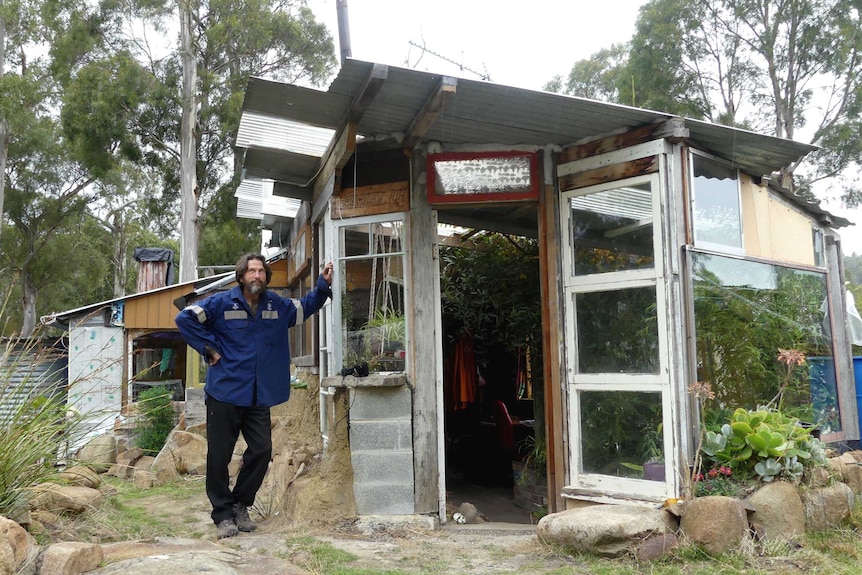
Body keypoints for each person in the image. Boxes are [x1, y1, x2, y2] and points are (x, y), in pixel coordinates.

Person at [175, 253, 333, 539]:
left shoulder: (276, 306)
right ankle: (222, 514)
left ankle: (240, 504)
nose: (257, 275)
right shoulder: (220, 303)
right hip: (224, 391)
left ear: (266, 277)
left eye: (261, 271)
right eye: (251, 271)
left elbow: (303, 308)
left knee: (261, 451)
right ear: (241, 276)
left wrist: (322, 285)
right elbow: (184, 318)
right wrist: (208, 349)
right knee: (219, 456)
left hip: (259, 393)